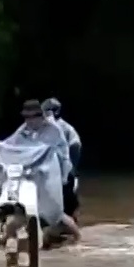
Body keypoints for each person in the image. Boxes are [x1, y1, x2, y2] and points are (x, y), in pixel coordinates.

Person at [10, 98, 78, 236]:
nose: (29, 121)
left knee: (56, 215)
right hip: (33, 176)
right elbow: (11, 147)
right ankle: (4, 241)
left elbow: (65, 155)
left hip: (57, 176)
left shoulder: (54, 130)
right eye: (26, 117)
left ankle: (77, 238)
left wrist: (64, 178)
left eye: (32, 117)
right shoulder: (22, 131)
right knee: (19, 213)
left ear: (40, 116)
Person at [42, 98, 81, 219]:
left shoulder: (63, 127)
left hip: (64, 164)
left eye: (47, 111)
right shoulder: (46, 126)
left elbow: (75, 146)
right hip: (50, 164)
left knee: (67, 192)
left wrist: (70, 168)